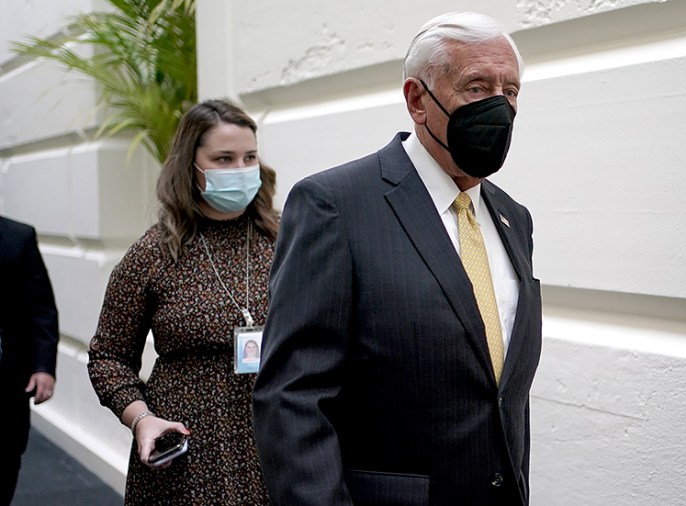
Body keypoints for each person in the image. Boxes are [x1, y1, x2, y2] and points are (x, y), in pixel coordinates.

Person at [253, 11, 542, 506]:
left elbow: (499, 392)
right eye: (476, 88)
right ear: (417, 100)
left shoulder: (514, 218)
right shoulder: (334, 205)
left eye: (509, 91)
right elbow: (293, 399)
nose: (498, 107)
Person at [87, 99, 278, 505]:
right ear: (189, 166)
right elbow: (107, 356)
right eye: (223, 158)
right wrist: (141, 419)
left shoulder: (283, 240)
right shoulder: (155, 253)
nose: (240, 170)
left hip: (274, 439)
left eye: (249, 158)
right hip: (186, 444)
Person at [0, 216, 59, 505]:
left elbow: (41, 308)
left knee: (6, 462)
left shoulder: (17, 237)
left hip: (7, 381)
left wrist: (43, 367)